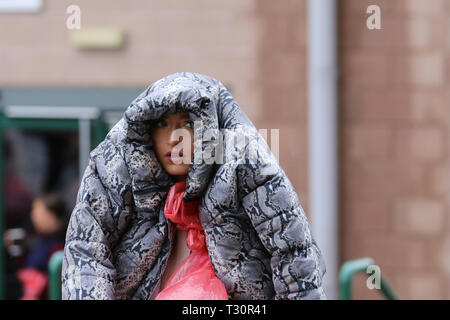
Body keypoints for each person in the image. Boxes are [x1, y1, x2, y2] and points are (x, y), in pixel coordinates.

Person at [61, 72, 326, 300]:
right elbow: (85, 251)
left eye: (188, 123)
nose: (174, 138)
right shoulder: (114, 168)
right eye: (162, 124)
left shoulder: (245, 162)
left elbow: (294, 253)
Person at [17, 193, 67, 300]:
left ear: (52, 215)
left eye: (37, 211)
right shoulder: (39, 239)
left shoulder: (62, 245)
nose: (33, 216)